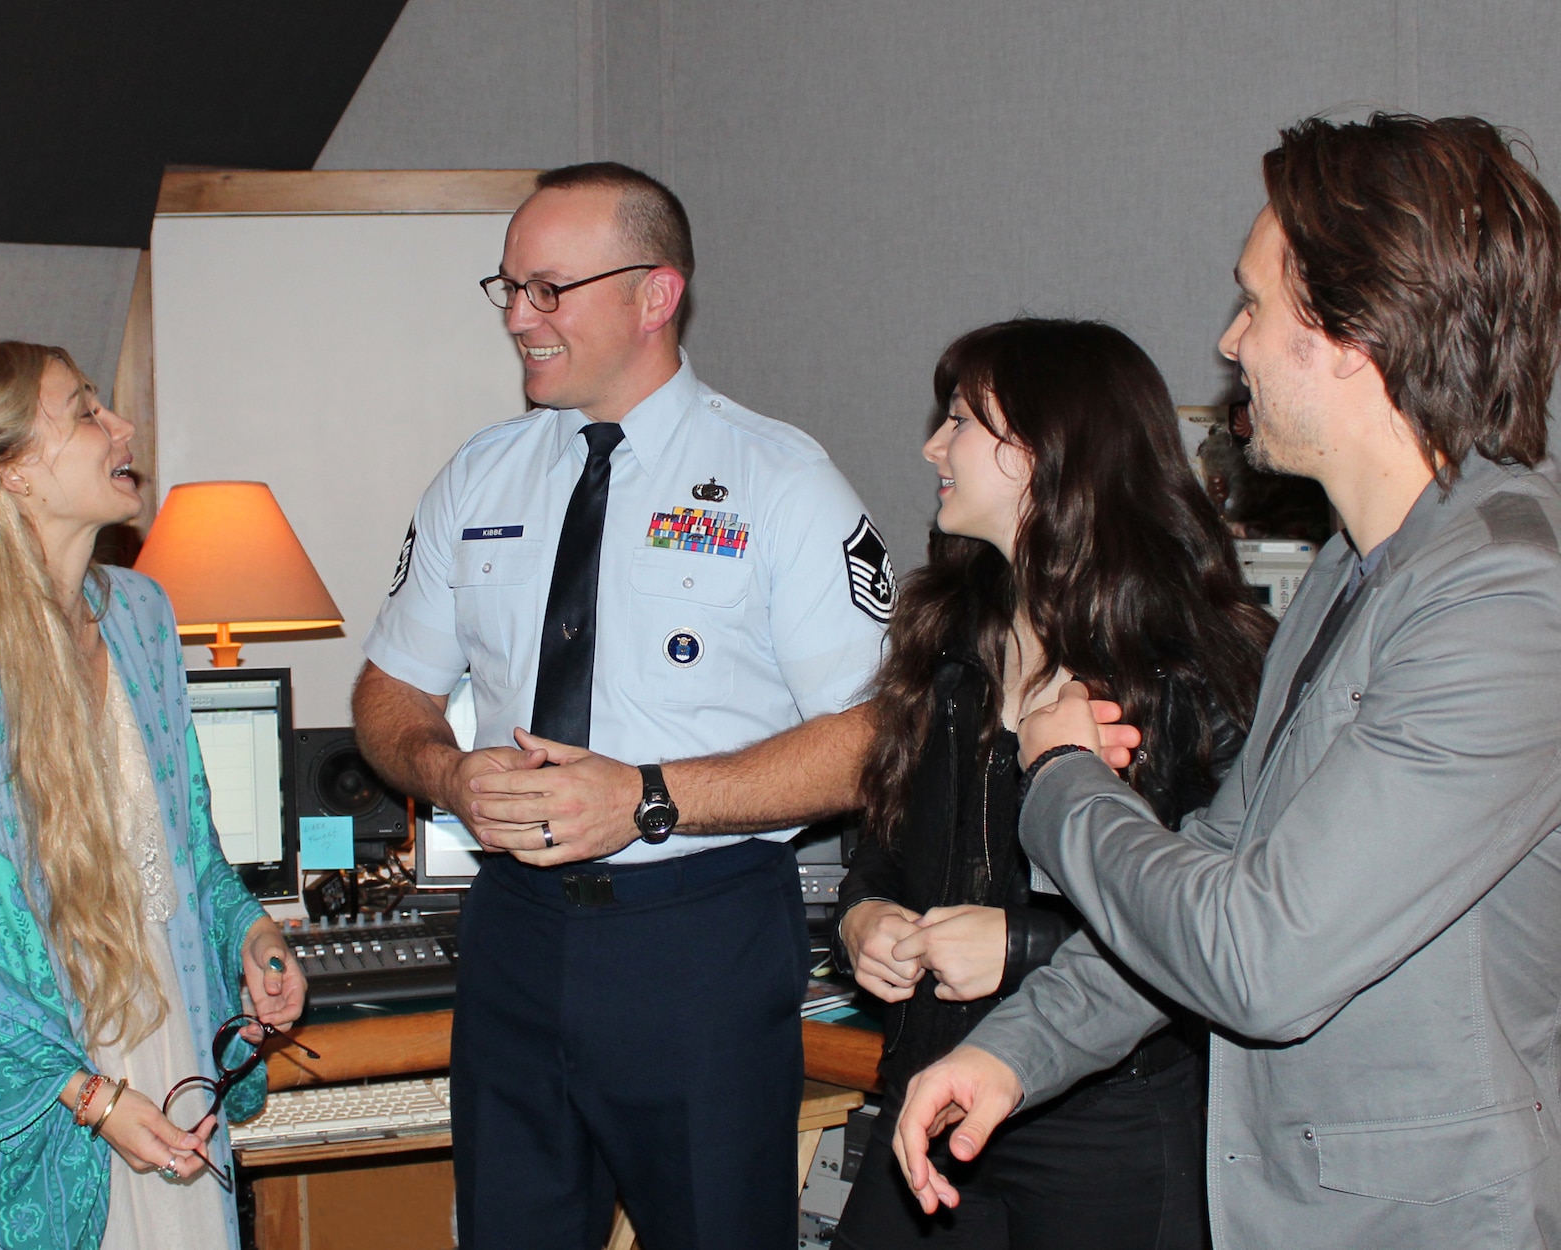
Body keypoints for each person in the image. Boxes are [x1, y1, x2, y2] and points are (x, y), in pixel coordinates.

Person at [895, 114, 1561, 1249]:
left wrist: (1057, 776)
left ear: (1355, 333)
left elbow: (1257, 957)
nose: (1228, 338)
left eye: (1252, 304)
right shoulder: (1359, 567)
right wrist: (1016, 1046)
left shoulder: (1501, 599)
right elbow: (1214, 863)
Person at [352, 162, 892, 1250]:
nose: (517, 316)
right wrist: (447, 770)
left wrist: (647, 798)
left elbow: (876, 739)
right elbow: (386, 693)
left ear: (656, 294)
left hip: (694, 936)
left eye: (548, 289)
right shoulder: (479, 477)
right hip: (510, 931)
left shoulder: (779, 481)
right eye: (505, 287)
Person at [0, 342, 307, 1249]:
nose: (122, 425)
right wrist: (95, 1100)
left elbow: (186, 849)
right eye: (87, 409)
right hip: (53, 1095)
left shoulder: (139, 616)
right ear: (16, 468)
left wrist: (250, 933)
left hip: (167, 1040)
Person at [829, 319, 1273, 1249]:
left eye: (958, 421)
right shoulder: (941, 637)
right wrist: (863, 915)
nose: (931, 446)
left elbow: (1229, 922)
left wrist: (1021, 946)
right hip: (932, 1086)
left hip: (1106, 1122)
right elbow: (884, 845)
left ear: (1041, 453)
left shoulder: (1197, 667)